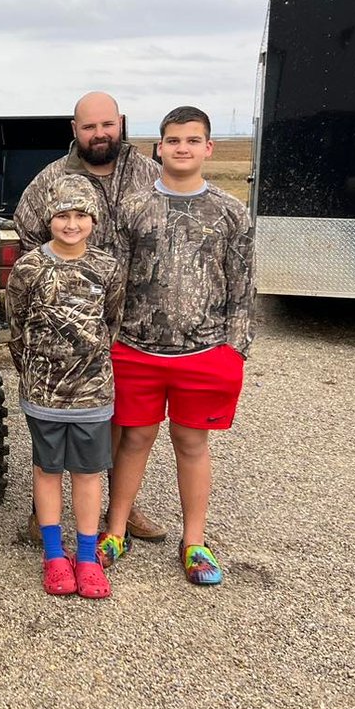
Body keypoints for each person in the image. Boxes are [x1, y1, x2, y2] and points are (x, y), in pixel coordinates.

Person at [101, 106, 255, 585]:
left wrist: (235, 349)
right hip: (136, 349)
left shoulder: (231, 212)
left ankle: (194, 541)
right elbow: (115, 280)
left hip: (204, 352)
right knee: (134, 438)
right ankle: (115, 528)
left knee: (191, 442)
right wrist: (107, 341)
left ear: (208, 148)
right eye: (173, 140)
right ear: (159, 147)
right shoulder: (133, 208)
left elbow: (242, 286)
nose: (182, 148)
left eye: (192, 140)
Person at [13, 91, 165, 543]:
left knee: (117, 422)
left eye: (107, 125)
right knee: (57, 422)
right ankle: (45, 517)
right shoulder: (52, 178)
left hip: (133, 319)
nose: (99, 134)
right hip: (66, 327)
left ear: (120, 123)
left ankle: (121, 507)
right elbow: (26, 236)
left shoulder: (150, 176)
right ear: (74, 131)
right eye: (88, 126)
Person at [7, 175, 124, 599]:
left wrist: (89, 364)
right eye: (62, 215)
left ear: (93, 219)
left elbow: (111, 322)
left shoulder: (108, 268)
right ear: (49, 219)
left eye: (80, 215)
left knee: (89, 474)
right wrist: (34, 372)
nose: (71, 224)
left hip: (93, 394)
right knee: (47, 470)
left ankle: (88, 557)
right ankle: (55, 555)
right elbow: (16, 326)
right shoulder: (29, 268)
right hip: (44, 395)